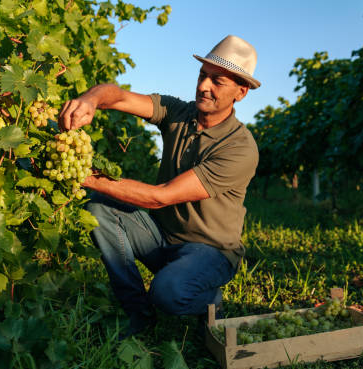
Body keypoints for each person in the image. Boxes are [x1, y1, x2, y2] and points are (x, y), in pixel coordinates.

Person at [58, 35, 261, 338]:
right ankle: (137, 313)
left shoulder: (240, 148)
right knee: (99, 208)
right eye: (202, 76)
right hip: (160, 237)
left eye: (217, 81)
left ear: (241, 93)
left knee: (168, 292)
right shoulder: (179, 113)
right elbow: (120, 96)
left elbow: (159, 197)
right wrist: (92, 99)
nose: (204, 86)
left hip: (210, 251)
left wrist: (83, 175)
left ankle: (209, 299)